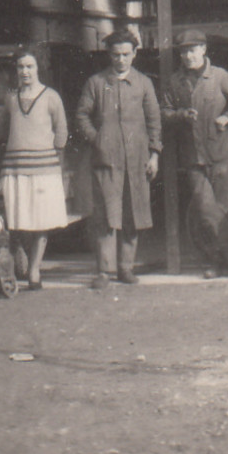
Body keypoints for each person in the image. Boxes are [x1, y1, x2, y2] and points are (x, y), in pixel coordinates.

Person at [160, 29, 228, 276]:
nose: (188, 56)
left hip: (220, 154)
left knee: (225, 209)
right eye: (183, 51)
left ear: (203, 50)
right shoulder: (174, 82)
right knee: (205, 210)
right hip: (193, 157)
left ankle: (221, 263)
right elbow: (163, 112)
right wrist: (180, 115)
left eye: (192, 50)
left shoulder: (219, 77)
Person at [74, 29, 162, 288]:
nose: (120, 59)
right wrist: (97, 138)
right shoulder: (96, 83)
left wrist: (154, 155)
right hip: (106, 161)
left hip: (137, 161)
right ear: (109, 55)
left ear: (134, 54)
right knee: (105, 217)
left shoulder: (144, 83)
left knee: (132, 215)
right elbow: (81, 115)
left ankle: (126, 268)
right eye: (115, 55)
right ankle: (104, 272)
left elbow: (154, 121)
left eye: (125, 54)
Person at [0, 46, 69, 290]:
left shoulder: (52, 97)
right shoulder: (11, 99)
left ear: (38, 68)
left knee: (41, 222)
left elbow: (62, 132)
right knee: (19, 222)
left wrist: (57, 164)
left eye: (30, 66)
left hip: (44, 170)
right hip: (15, 170)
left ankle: (34, 271)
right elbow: (0, 132)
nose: (25, 71)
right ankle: (20, 262)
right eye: (21, 67)